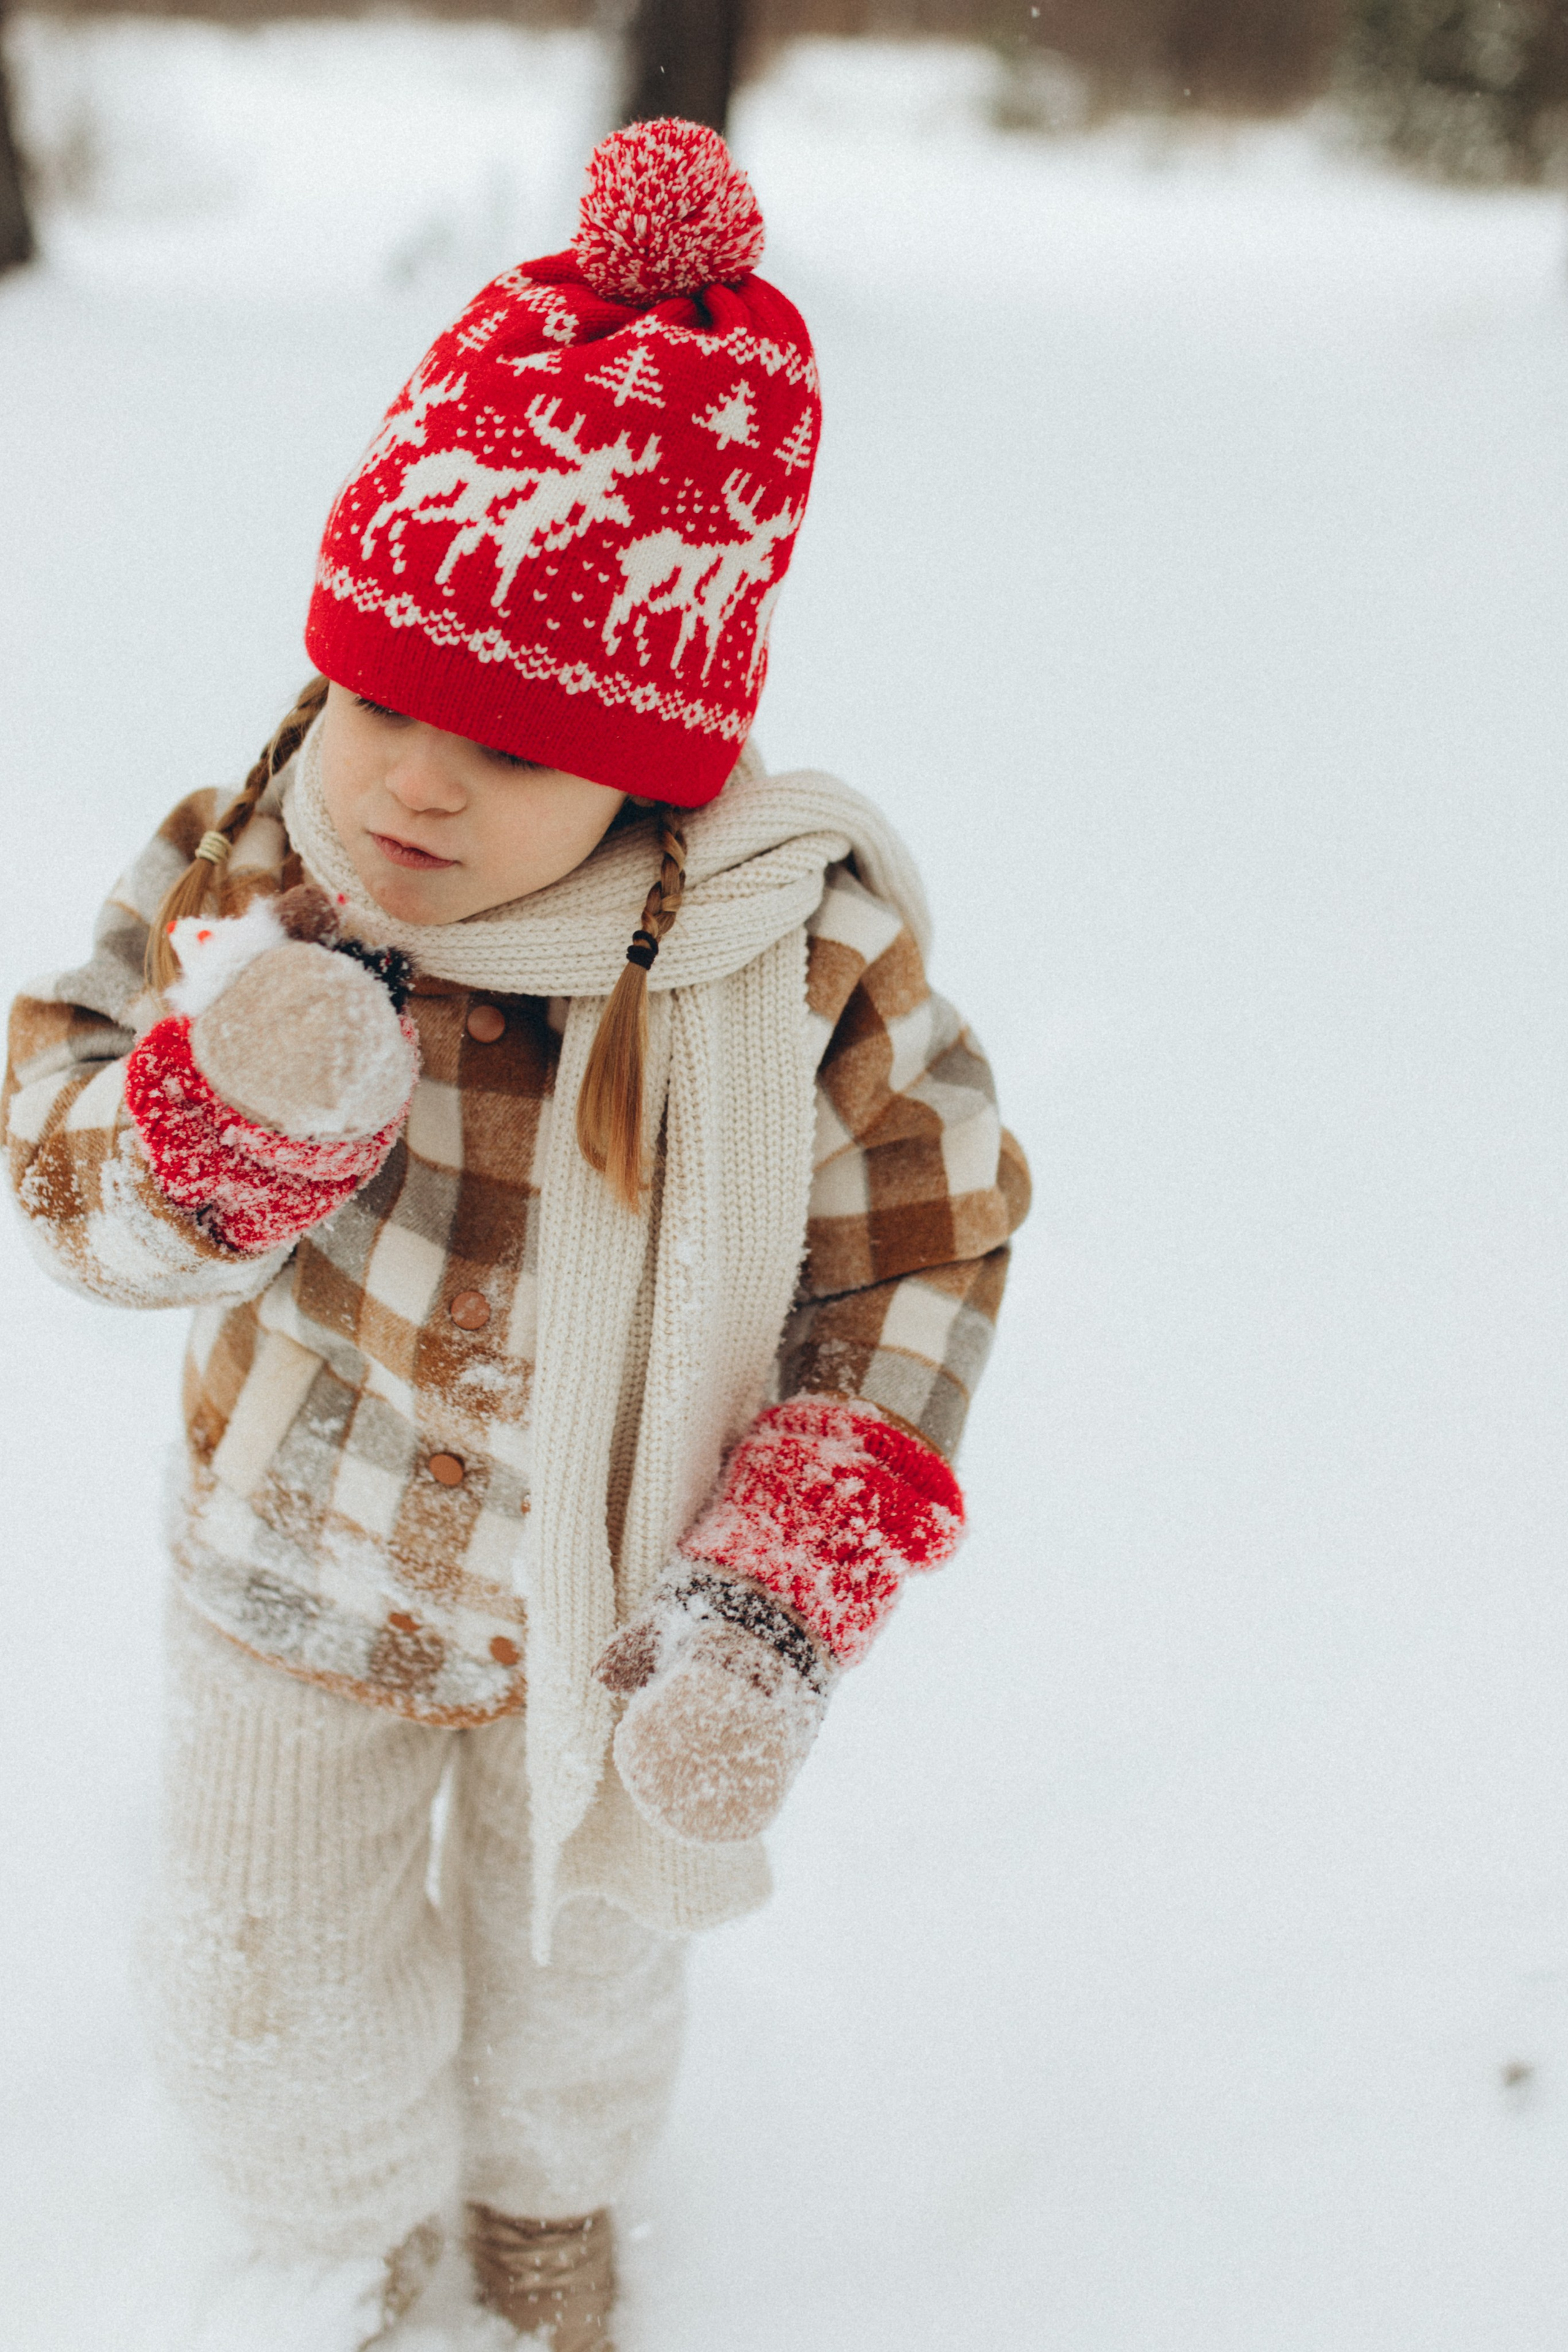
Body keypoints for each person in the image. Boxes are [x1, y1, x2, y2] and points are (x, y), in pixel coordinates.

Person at [2, 118, 1028, 2352]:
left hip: (623, 1612)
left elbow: (927, 1251)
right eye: (376, 693)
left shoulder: (786, 966)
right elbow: (58, 1165)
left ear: (657, 761)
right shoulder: (256, 879)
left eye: (508, 740)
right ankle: (345, 2239)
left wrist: (770, 1598)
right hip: (295, 1560)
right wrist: (195, 1140)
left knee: (582, 1978)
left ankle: (545, 2211)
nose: (409, 787)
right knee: (281, 1981)